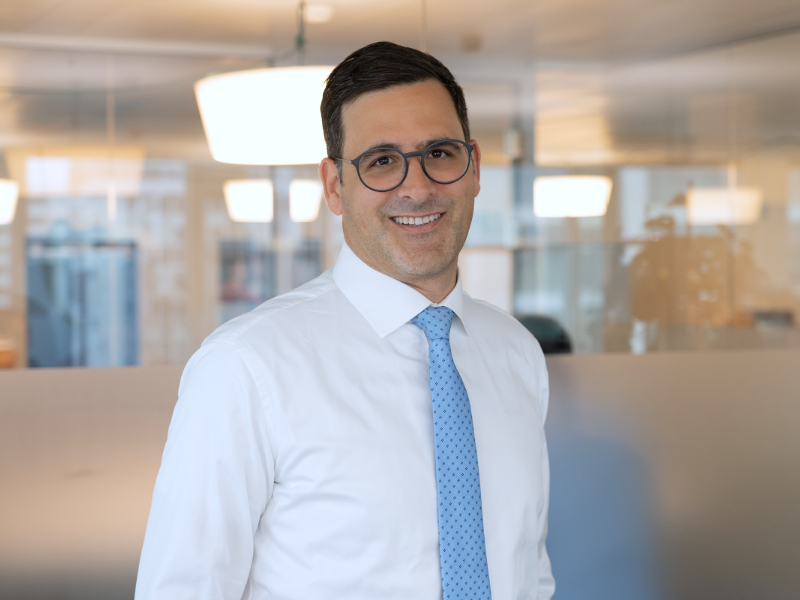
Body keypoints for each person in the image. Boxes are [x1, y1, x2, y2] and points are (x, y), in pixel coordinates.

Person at [135, 41, 554, 600]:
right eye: (382, 161)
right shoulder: (246, 368)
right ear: (335, 186)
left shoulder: (516, 354)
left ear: (474, 167)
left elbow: (528, 573)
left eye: (440, 153)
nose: (418, 186)